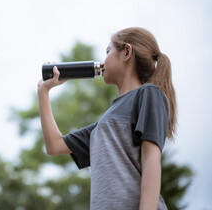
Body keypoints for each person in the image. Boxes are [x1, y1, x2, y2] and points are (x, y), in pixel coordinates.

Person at [37, 27, 176, 209]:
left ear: (126, 52)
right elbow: (54, 146)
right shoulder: (103, 125)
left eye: (108, 51)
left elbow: (151, 158)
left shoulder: (148, 93)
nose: (103, 60)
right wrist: (43, 92)